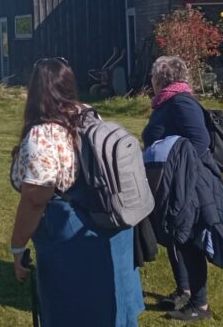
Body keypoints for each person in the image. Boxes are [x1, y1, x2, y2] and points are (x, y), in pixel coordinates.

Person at [8, 57, 144, 327]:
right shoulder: (89, 114)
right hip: (108, 221)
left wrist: (17, 245)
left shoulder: (42, 134)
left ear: (35, 90)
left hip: (71, 233)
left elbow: (35, 198)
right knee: (112, 305)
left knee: (75, 311)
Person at [142, 56, 223, 322]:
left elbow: (199, 141)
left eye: (152, 75)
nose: (151, 80)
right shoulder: (167, 102)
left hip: (188, 183)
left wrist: (176, 169)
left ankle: (200, 304)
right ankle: (184, 291)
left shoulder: (181, 102)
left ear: (161, 78)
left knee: (189, 238)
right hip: (172, 182)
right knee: (174, 236)